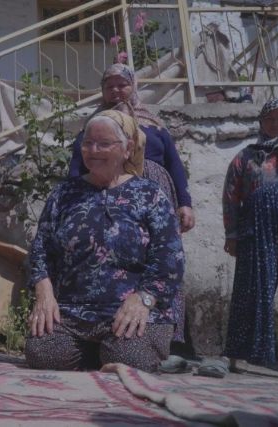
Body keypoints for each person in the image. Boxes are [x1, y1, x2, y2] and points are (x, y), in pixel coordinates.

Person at [25, 110, 184, 373]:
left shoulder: (150, 195)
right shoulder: (64, 193)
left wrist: (144, 298)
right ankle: (96, 354)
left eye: (104, 143)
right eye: (87, 143)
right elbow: (41, 248)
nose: (93, 150)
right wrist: (43, 292)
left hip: (133, 310)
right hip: (72, 312)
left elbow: (170, 259)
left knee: (128, 358)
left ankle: (109, 352)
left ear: (128, 148)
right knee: (43, 353)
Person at [69, 63, 192, 345]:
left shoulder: (154, 125)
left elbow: (175, 165)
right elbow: (77, 166)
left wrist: (185, 203)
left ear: (133, 86)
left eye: (122, 84)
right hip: (105, 199)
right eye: (109, 85)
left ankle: (167, 335)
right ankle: (106, 330)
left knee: (162, 258)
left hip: (156, 197)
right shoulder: (94, 127)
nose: (116, 90)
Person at [222, 97, 278, 367]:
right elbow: (230, 197)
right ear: (261, 122)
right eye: (269, 119)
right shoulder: (246, 156)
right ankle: (247, 354)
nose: (276, 124)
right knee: (253, 290)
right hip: (256, 232)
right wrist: (232, 234)